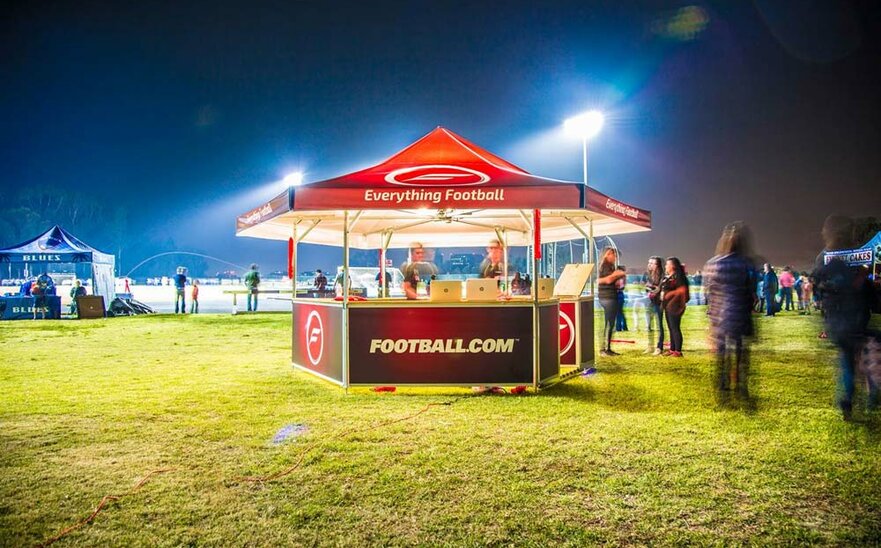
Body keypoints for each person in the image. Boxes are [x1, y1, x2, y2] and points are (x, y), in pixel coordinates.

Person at [813, 215, 878, 419]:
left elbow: (819, 287)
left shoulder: (823, 258)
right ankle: (868, 396)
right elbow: (862, 288)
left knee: (848, 360)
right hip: (856, 316)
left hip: (837, 320)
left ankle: (849, 399)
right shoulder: (858, 256)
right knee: (862, 356)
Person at [704, 223, 757, 395]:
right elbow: (752, 293)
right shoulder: (747, 264)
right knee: (741, 352)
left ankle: (722, 384)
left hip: (720, 316)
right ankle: (741, 385)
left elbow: (709, 294)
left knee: (722, 353)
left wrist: (711, 320)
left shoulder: (713, 264)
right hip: (741, 314)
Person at [597, 247, 626, 357]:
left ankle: (606, 348)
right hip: (608, 297)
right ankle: (605, 349)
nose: (615, 257)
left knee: (609, 323)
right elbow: (608, 280)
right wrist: (618, 274)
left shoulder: (608, 266)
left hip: (608, 296)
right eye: (613, 255)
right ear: (607, 255)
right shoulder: (606, 266)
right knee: (609, 323)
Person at [661, 257, 690, 357]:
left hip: (675, 307)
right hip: (668, 306)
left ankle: (678, 351)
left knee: (675, 328)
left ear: (673, 266)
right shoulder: (670, 276)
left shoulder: (679, 277)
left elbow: (682, 290)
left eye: (667, 264)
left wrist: (670, 294)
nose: (665, 266)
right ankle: (672, 349)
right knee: (671, 328)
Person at [643, 256, 665, 355]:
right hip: (650, 301)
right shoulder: (648, 274)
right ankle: (650, 346)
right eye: (649, 262)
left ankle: (659, 347)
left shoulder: (662, 275)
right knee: (649, 325)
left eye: (652, 263)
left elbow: (659, 289)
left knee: (659, 324)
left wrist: (653, 288)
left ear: (658, 265)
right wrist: (649, 288)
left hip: (659, 303)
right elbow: (645, 286)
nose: (649, 264)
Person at [615, 266, 628, 332]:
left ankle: (618, 327)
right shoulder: (622, 278)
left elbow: (619, 286)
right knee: (620, 312)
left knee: (618, 312)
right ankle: (624, 327)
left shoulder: (621, 278)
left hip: (619, 295)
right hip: (619, 295)